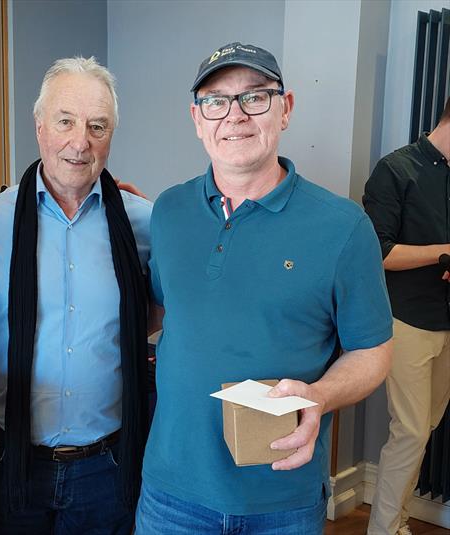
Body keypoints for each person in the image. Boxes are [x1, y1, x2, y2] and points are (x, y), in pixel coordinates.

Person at [136, 42, 393, 534]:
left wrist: (319, 394)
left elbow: (373, 352)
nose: (234, 115)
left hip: (281, 501)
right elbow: (167, 312)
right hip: (171, 496)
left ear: (286, 108)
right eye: (216, 101)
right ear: (196, 117)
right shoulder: (168, 212)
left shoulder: (343, 227)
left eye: (255, 96)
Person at [0, 56, 153, 534]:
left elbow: (157, 312)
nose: (81, 141)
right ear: (39, 126)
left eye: (98, 126)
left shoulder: (141, 223)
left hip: (107, 467)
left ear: (111, 136)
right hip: (10, 460)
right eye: (66, 121)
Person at [364, 98, 450, 535]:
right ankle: (383, 530)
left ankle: (395, 524)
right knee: (412, 433)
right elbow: (377, 253)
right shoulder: (396, 170)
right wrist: (444, 253)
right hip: (407, 319)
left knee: (424, 430)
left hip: (447, 320)